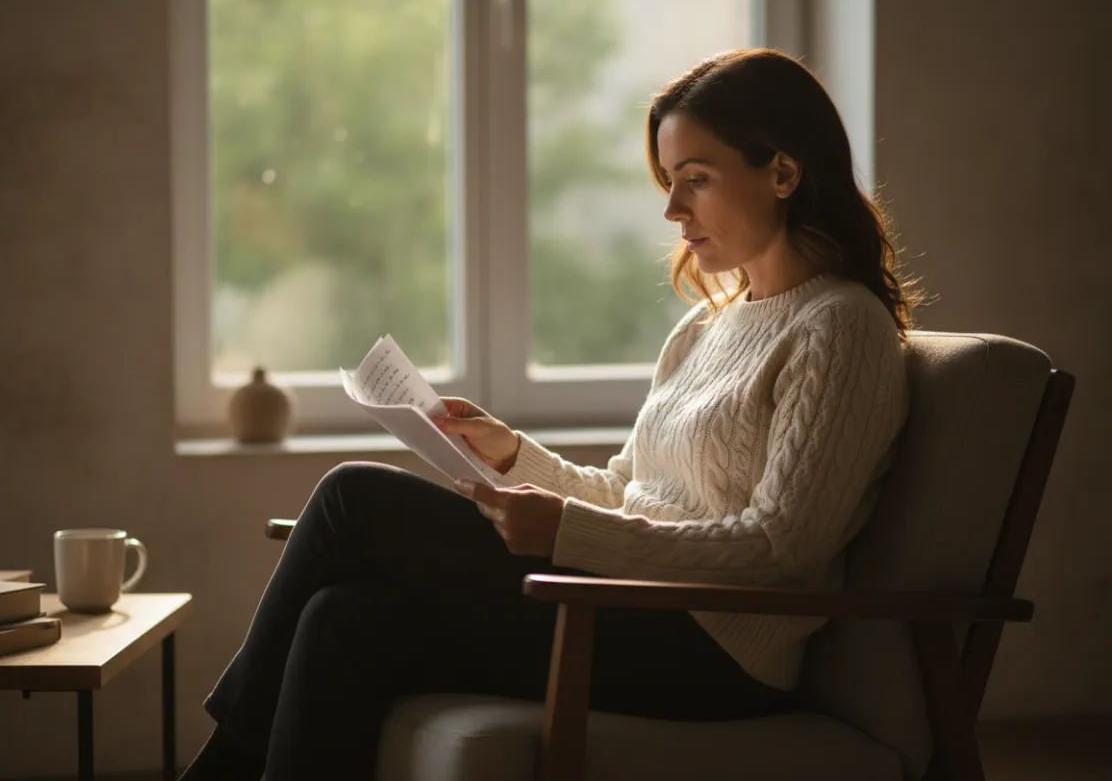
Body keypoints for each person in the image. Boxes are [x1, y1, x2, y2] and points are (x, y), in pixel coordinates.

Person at [180, 47, 917, 781]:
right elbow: (629, 494)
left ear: (783, 173)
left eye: (696, 179)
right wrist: (511, 454)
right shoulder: (704, 329)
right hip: (632, 614)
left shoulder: (840, 327)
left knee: (352, 499)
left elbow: (782, 551)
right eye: (669, 181)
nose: (672, 209)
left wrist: (567, 534)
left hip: (715, 653)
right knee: (343, 619)